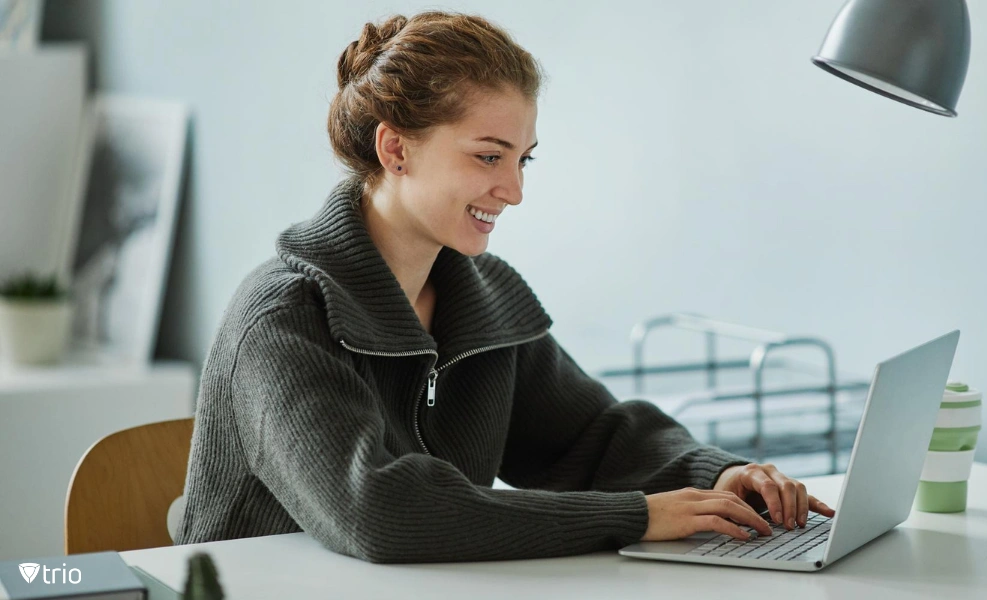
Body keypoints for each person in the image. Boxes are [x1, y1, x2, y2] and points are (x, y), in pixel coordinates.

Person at [176, 10, 834, 563]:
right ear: (395, 150)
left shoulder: (484, 297)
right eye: (488, 157)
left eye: (523, 160)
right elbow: (379, 511)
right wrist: (637, 517)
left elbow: (592, 438)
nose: (514, 191)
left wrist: (716, 474)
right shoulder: (282, 316)